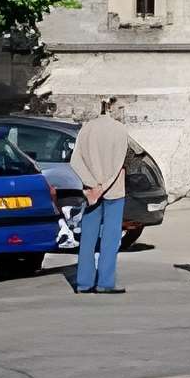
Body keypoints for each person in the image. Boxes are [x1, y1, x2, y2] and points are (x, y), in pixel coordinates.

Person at [71, 107, 133, 294]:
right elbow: (118, 164)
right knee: (111, 238)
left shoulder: (86, 129)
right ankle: (105, 282)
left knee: (88, 238)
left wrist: (92, 185)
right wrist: (103, 187)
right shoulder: (119, 129)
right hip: (113, 190)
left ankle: (84, 282)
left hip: (90, 192)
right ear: (113, 109)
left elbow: (75, 161)